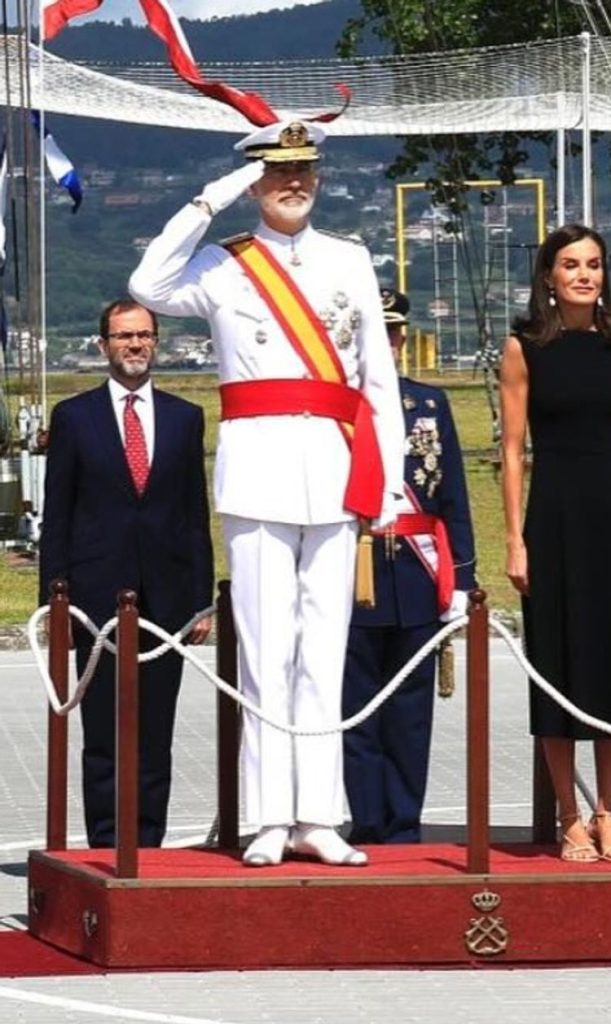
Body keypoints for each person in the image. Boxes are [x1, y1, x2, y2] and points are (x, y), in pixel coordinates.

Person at [129, 121, 405, 867]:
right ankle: (268, 817)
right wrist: (213, 197)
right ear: (256, 182)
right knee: (264, 651)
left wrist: (391, 481)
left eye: (304, 170)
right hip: (257, 472)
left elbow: (377, 380)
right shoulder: (224, 265)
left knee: (325, 651)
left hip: (338, 467)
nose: (294, 183)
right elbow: (146, 285)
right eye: (278, 171)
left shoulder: (350, 259)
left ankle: (320, 815)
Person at [499, 224, 611, 864]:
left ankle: (608, 811)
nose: (583, 275)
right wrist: (515, 539)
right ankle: (568, 814)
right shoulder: (523, 348)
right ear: (548, 275)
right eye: (570, 265)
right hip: (555, 517)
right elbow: (512, 452)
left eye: (593, 265)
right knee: (560, 663)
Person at [38, 299, 213, 848]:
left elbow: (193, 513)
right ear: (103, 344)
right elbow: (58, 514)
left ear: (155, 342)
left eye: (143, 336)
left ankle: (149, 845)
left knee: (155, 733)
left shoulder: (185, 417)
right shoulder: (74, 417)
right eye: (123, 336)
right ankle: (108, 842)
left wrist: (201, 600)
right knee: (104, 734)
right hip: (94, 599)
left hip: (166, 600)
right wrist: (55, 602)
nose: (134, 345)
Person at [342, 289, 476, 844]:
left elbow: (453, 497)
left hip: (418, 574)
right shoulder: (338, 408)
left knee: (412, 711)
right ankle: (368, 822)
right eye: (378, 334)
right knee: (357, 708)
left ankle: (403, 824)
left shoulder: (428, 404)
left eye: (394, 334)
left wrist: (463, 577)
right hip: (355, 568)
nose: (388, 344)